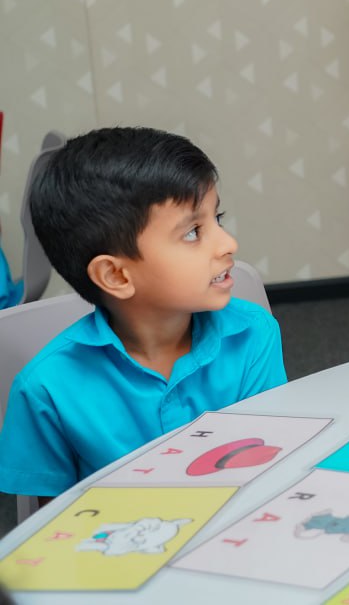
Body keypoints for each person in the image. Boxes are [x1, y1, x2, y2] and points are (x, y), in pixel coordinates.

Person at [0, 127, 287, 501]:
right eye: (192, 232)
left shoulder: (253, 334)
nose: (228, 243)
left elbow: (271, 465)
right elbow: (50, 525)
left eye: (217, 218)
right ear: (115, 275)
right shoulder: (45, 389)